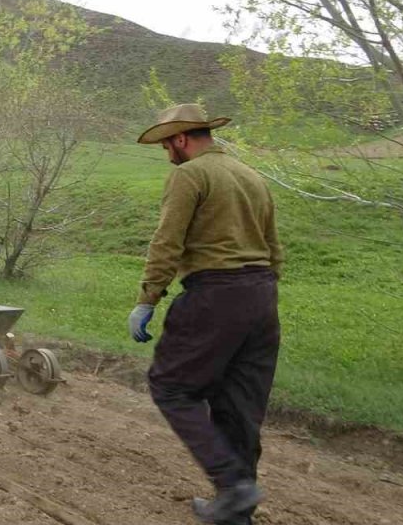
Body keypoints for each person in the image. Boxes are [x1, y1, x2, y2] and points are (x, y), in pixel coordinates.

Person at [128, 104, 283, 525]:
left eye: (166, 145)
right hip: (262, 296)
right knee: (240, 404)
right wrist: (262, 291)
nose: (167, 154)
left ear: (181, 140)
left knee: (171, 387)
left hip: (215, 294)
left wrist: (149, 298)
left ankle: (233, 485)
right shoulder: (252, 176)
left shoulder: (189, 175)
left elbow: (167, 241)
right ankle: (237, 512)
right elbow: (274, 246)